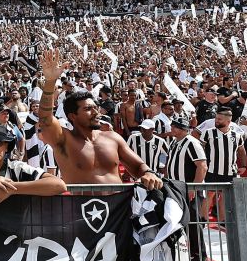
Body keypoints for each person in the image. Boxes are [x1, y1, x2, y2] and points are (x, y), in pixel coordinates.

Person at [36, 50, 162, 189]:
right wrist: (50, 82)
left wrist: (149, 173)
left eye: (96, 107)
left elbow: (138, 166)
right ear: (72, 116)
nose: (96, 112)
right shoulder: (64, 139)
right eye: (88, 109)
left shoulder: (113, 138)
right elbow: (45, 118)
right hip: (80, 208)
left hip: (118, 207)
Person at [165, 118, 209, 261]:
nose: (172, 128)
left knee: (193, 223)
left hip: (188, 190)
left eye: (175, 126)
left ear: (182, 129)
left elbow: (202, 166)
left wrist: (193, 188)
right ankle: (190, 254)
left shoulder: (191, 142)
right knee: (182, 223)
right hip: (177, 189)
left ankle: (201, 257)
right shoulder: (174, 142)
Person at [196, 109, 246, 227]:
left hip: (230, 170)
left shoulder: (237, 135)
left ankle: (223, 220)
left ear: (228, 121)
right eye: (216, 118)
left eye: (219, 119)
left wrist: (243, 165)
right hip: (213, 169)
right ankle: (203, 219)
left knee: (225, 196)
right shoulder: (208, 133)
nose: (216, 121)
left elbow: (241, 150)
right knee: (210, 194)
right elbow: (200, 149)